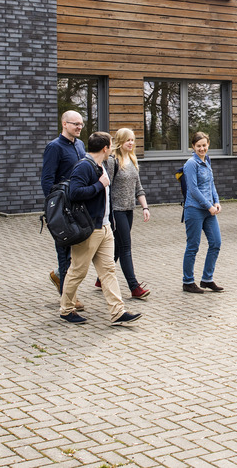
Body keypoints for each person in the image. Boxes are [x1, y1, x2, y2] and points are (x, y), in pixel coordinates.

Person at [62, 131, 142, 326]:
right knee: (78, 271)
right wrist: (98, 185)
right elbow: (74, 193)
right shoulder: (84, 167)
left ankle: (118, 312)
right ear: (105, 148)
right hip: (89, 229)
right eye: (110, 145)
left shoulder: (101, 165)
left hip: (105, 227)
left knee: (108, 270)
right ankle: (66, 309)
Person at [40, 111, 87, 310]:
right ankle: (68, 298)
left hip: (79, 204)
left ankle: (60, 276)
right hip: (63, 207)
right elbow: (47, 180)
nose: (78, 127)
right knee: (64, 250)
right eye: (75, 124)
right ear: (64, 124)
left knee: (77, 250)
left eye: (81, 124)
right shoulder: (54, 147)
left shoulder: (80, 145)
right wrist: (55, 207)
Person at [103, 127, 151, 300]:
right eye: (127, 140)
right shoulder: (111, 161)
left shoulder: (132, 159)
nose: (131, 143)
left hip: (129, 209)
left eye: (133, 140)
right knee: (125, 248)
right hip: (116, 211)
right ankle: (134, 287)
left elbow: (138, 188)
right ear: (120, 141)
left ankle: (99, 280)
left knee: (117, 247)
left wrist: (145, 208)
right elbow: (105, 187)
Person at [182, 131, 224, 293]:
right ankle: (188, 281)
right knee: (193, 246)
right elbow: (193, 189)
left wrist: (217, 201)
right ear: (193, 146)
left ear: (208, 145)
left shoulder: (207, 160)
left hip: (209, 210)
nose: (202, 148)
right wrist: (209, 206)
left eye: (204, 145)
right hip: (194, 210)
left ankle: (207, 278)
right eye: (198, 146)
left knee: (216, 243)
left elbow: (211, 184)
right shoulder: (191, 164)